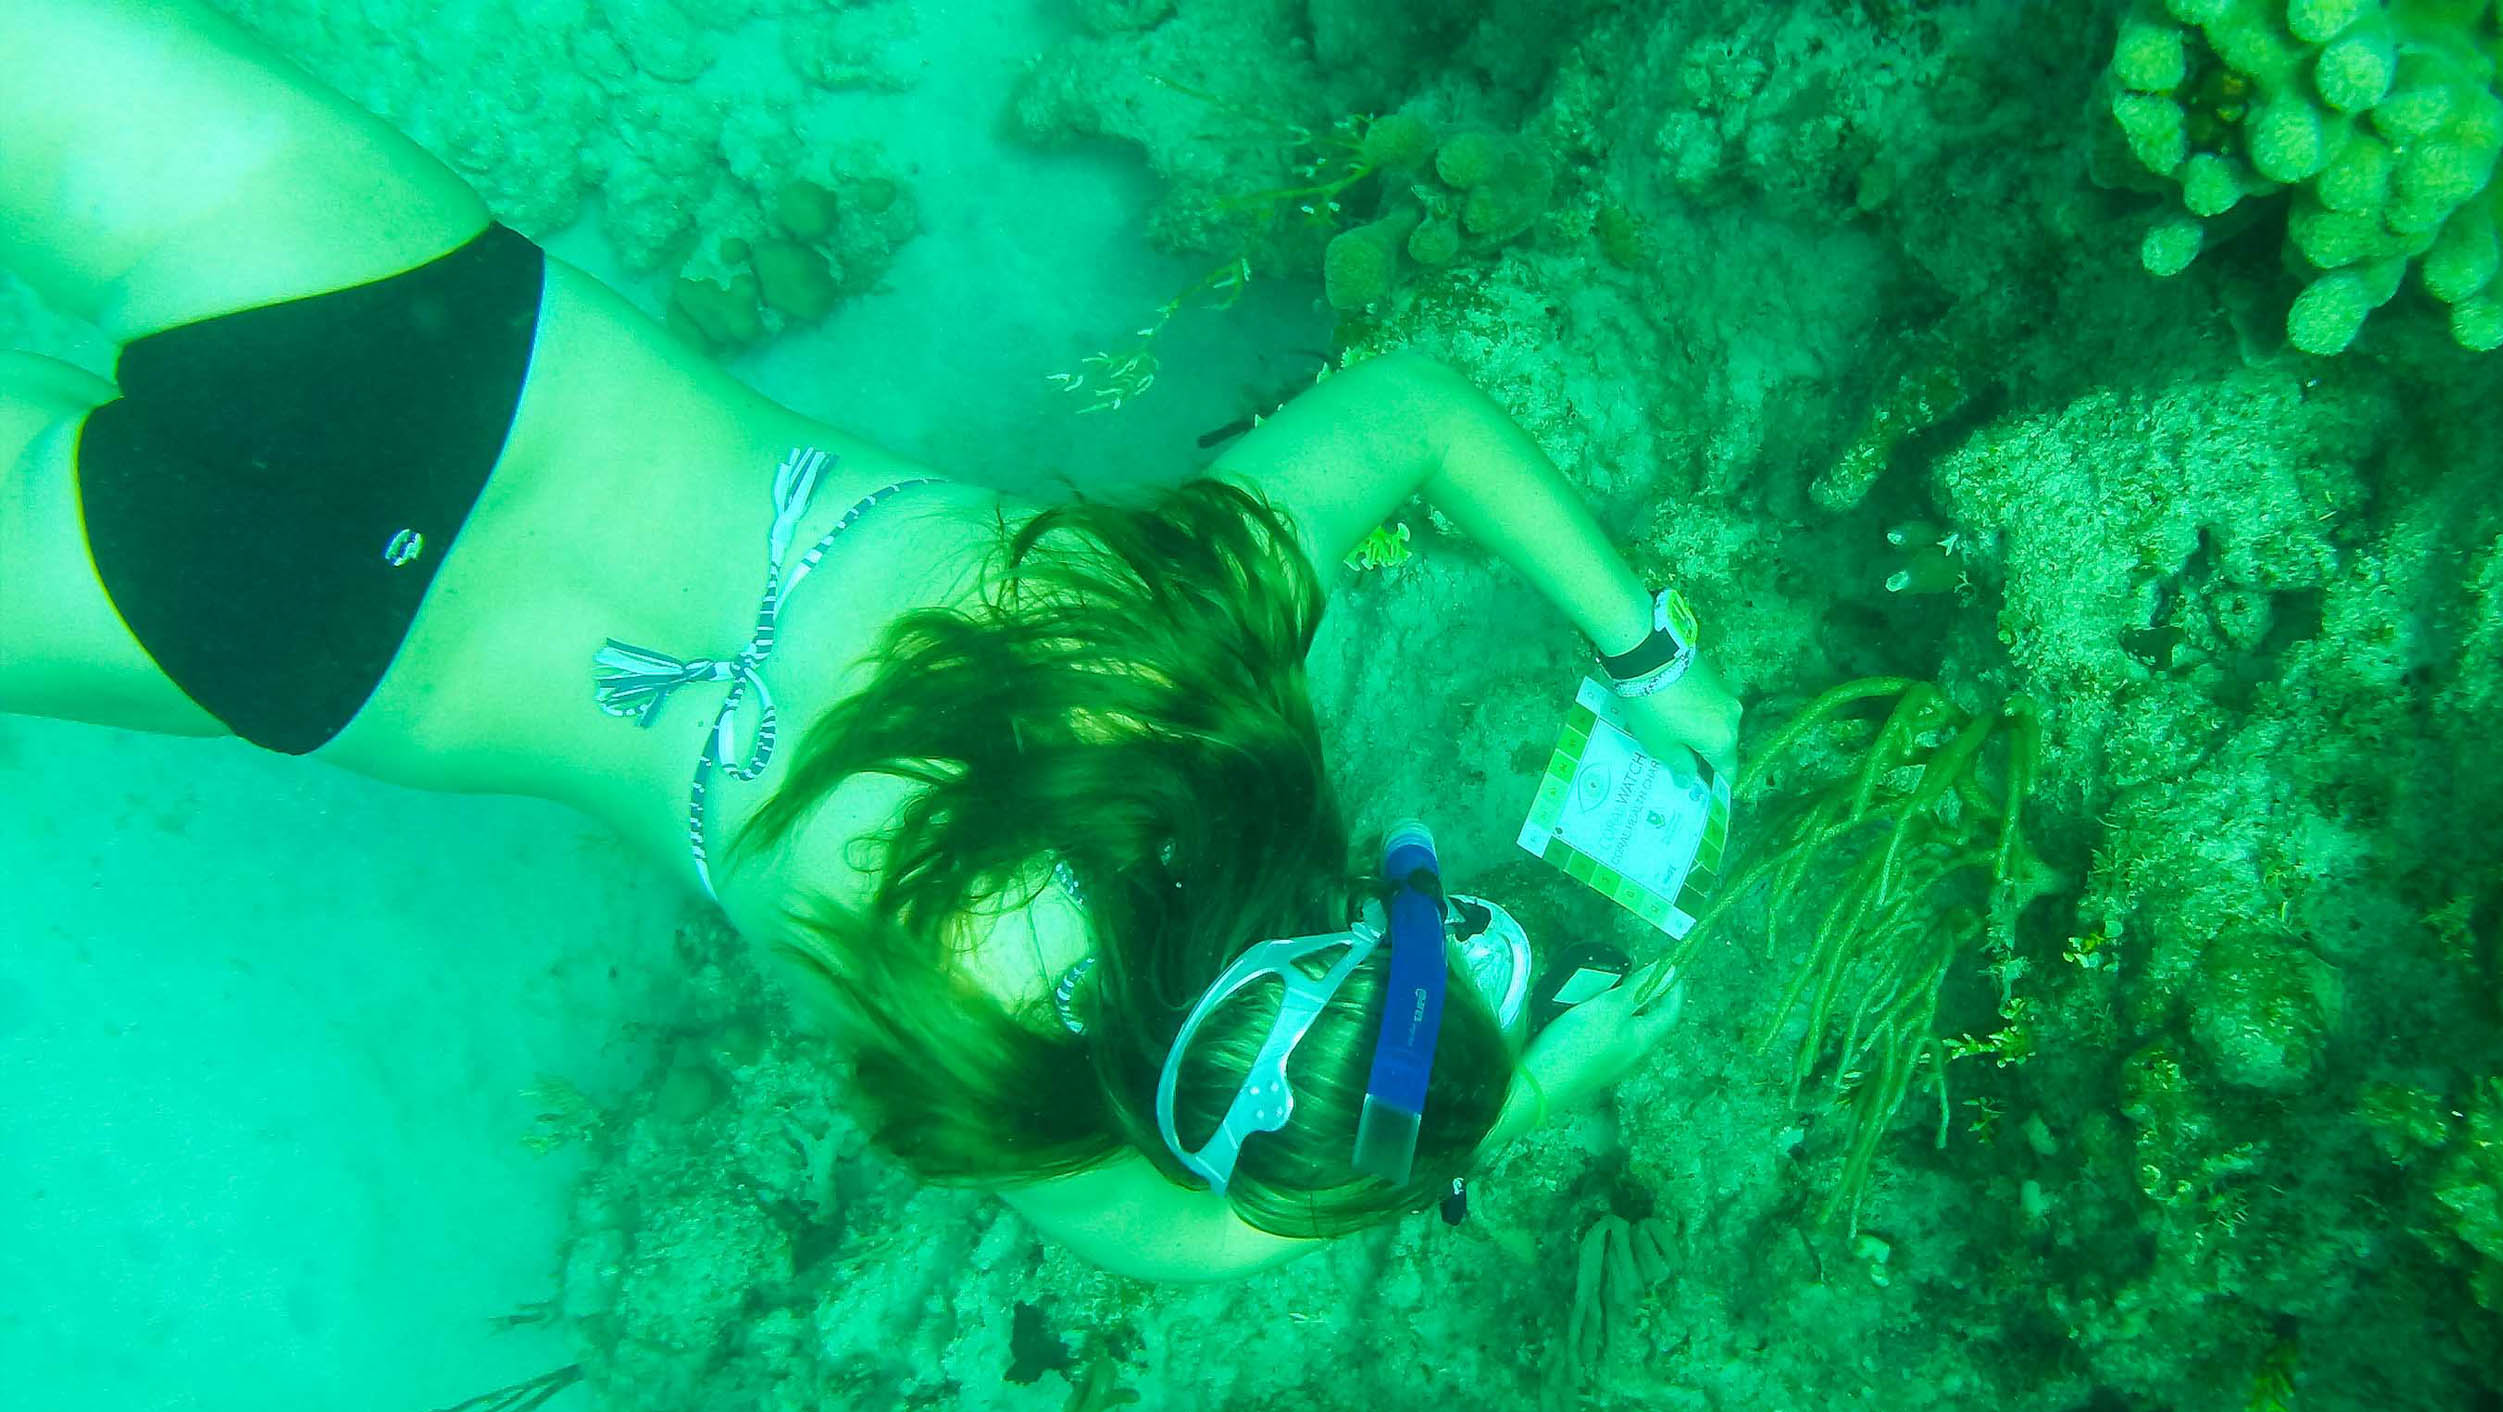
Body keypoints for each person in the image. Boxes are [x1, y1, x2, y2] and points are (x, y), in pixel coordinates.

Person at [0, 0, 1739, 1283]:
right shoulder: (1012, 1079)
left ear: (1363, 914)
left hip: (429, 353)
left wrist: (1653, 654)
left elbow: (1420, 409)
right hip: (319, 649)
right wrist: (1502, 1114)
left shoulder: (1158, 645)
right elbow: (1203, 1242)